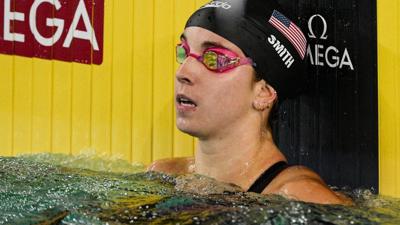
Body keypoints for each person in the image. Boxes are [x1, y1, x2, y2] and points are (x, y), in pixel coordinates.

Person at [148, 0, 352, 205]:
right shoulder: (164, 175)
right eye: (184, 51)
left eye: (215, 59)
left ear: (263, 93)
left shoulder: (300, 196)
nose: (183, 72)